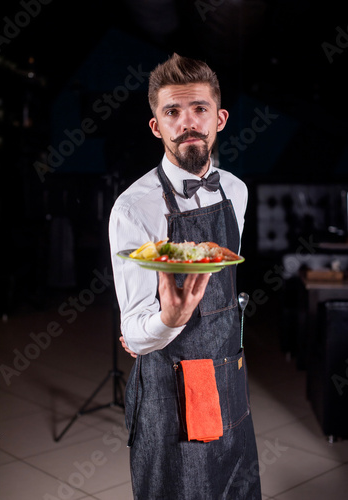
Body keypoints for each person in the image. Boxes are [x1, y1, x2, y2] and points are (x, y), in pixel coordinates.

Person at [108, 53, 261, 499]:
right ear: (157, 125)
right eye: (172, 112)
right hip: (169, 391)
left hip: (228, 376)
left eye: (199, 109)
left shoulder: (236, 191)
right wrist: (168, 321)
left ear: (220, 118)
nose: (188, 122)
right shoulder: (134, 207)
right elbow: (135, 336)